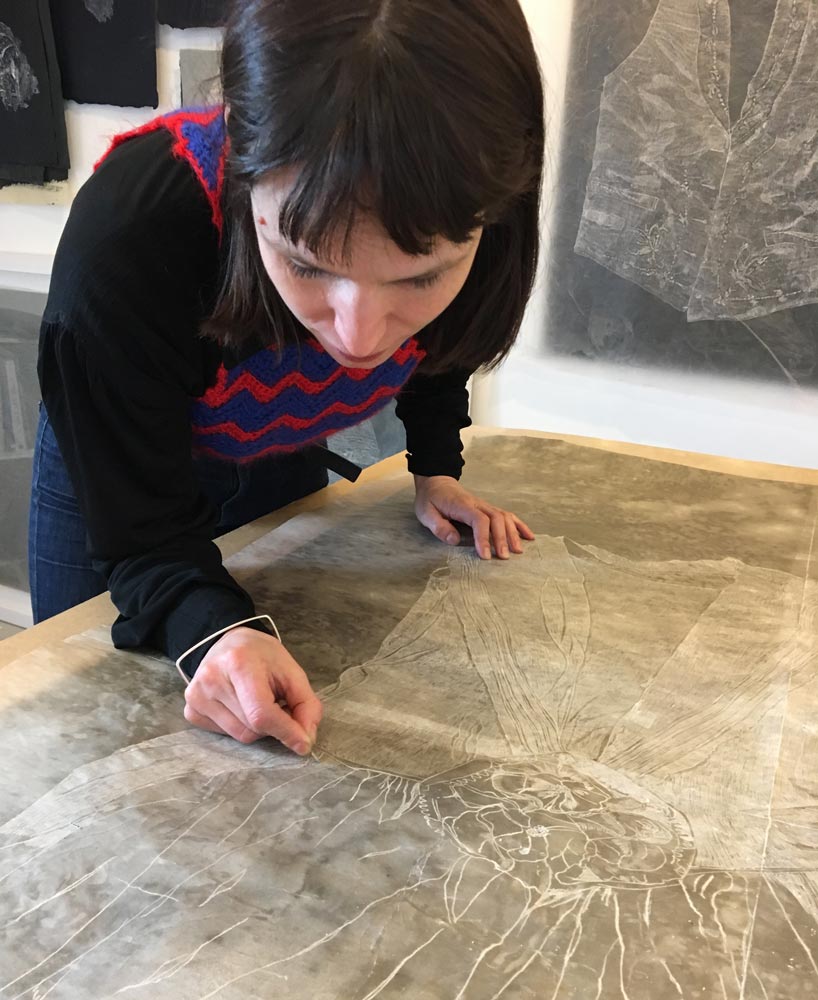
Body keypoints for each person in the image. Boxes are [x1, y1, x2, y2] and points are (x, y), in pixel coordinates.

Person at [29, 0, 545, 755]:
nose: (358, 337)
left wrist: (436, 469)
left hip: (275, 451)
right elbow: (142, 536)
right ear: (242, 154)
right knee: (101, 743)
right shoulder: (132, 235)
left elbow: (443, 354)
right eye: (305, 265)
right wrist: (215, 630)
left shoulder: (486, 208)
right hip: (118, 478)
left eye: (420, 279)